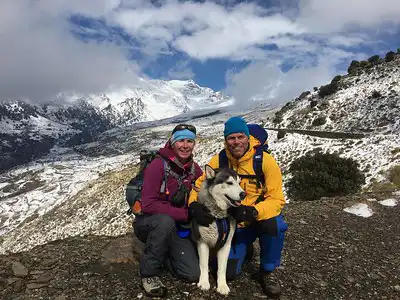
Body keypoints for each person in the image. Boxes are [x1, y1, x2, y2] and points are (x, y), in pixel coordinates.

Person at [188, 116, 288, 299]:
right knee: (231, 272)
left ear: (247, 137)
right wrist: (193, 205)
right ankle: (246, 247)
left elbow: (277, 200)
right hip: (234, 225)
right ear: (226, 140)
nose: (236, 142)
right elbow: (200, 184)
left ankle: (268, 271)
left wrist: (254, 212)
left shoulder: (265, 162)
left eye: (240, 137)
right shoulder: (220, 160)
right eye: (231, 138)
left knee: (275, 225)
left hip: (256, 219)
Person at [134, 124, 203, 297]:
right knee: (165, 221)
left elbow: (205, 189)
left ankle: (164, 255)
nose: (185, 145)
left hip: (177, 227)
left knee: (192, 274)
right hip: (150, 223)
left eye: (189, 141)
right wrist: (186, 214)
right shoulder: (158, 165)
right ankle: (148, 274)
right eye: (180, 141)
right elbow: (148, 204)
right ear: (172, 143)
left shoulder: (193, 169)